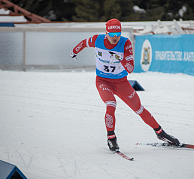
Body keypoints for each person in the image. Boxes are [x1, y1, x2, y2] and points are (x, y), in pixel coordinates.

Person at [70, 18, 180, 151]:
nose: (115, 38)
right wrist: (74, 51)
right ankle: (111, 138)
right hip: (103, 81)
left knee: (139, 109)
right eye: (112, 35)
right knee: (111, 103)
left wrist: (119, 58)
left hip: (121, 82)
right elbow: (83, 43)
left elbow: (130, 68)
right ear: (106, 33)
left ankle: (160, 133)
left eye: (118, 34)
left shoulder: (125, 43)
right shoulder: (97, 40)